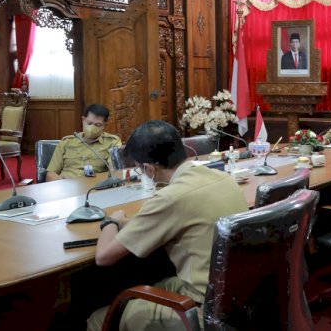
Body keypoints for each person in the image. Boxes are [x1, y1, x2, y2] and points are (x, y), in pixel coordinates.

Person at [86, 120, 249, 331]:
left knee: (97, 319)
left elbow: (103, 257)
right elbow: (170, 219)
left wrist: (111, 220)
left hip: (203, 309)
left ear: (148, 168)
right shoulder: (222, 177)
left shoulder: (171, 198)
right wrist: (131, 222)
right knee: (157, 283)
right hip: (237, 296)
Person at [45, 104, 121, 181]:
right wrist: (62, 184)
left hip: (94, 188)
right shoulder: (67, 142)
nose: (92, 128)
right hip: (66, 186)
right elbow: (50, 174)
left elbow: (114, 172)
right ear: (83, 120)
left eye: (97, 125)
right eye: (89, 123)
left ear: (105, 125)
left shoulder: (112, 142)